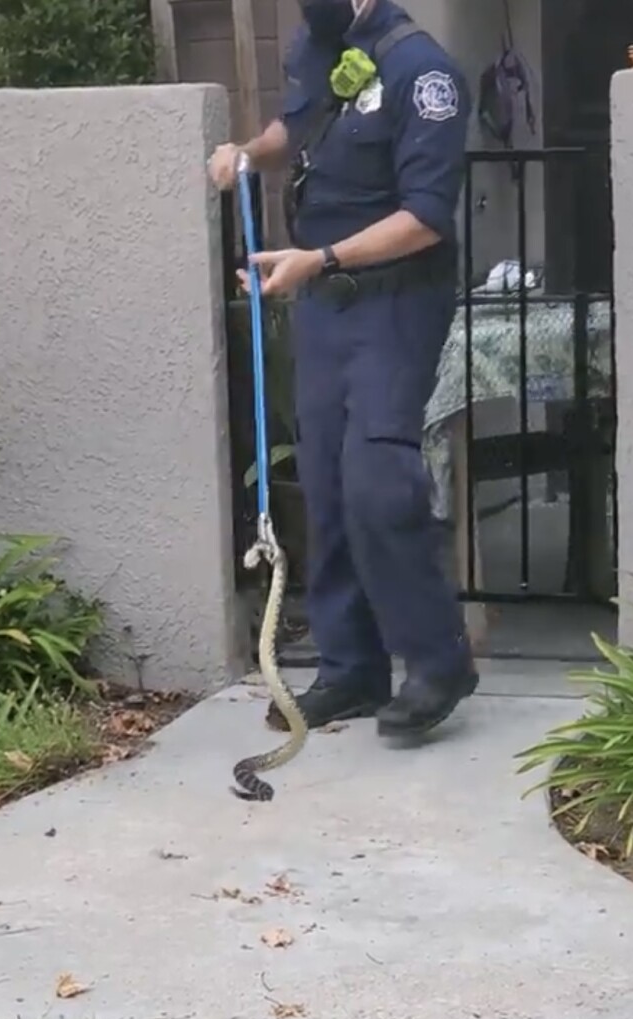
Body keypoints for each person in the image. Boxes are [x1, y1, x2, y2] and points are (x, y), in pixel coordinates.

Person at [207, 0, 478, 741]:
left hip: (395, 301)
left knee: (376, 478)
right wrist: (248, 154)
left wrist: (319, 258)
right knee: (324, 480)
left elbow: (426, 216)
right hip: (322, 305)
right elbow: (296, 126)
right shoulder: (317, 44)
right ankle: (351, 668)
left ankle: (437, 659)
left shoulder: (425, 74)